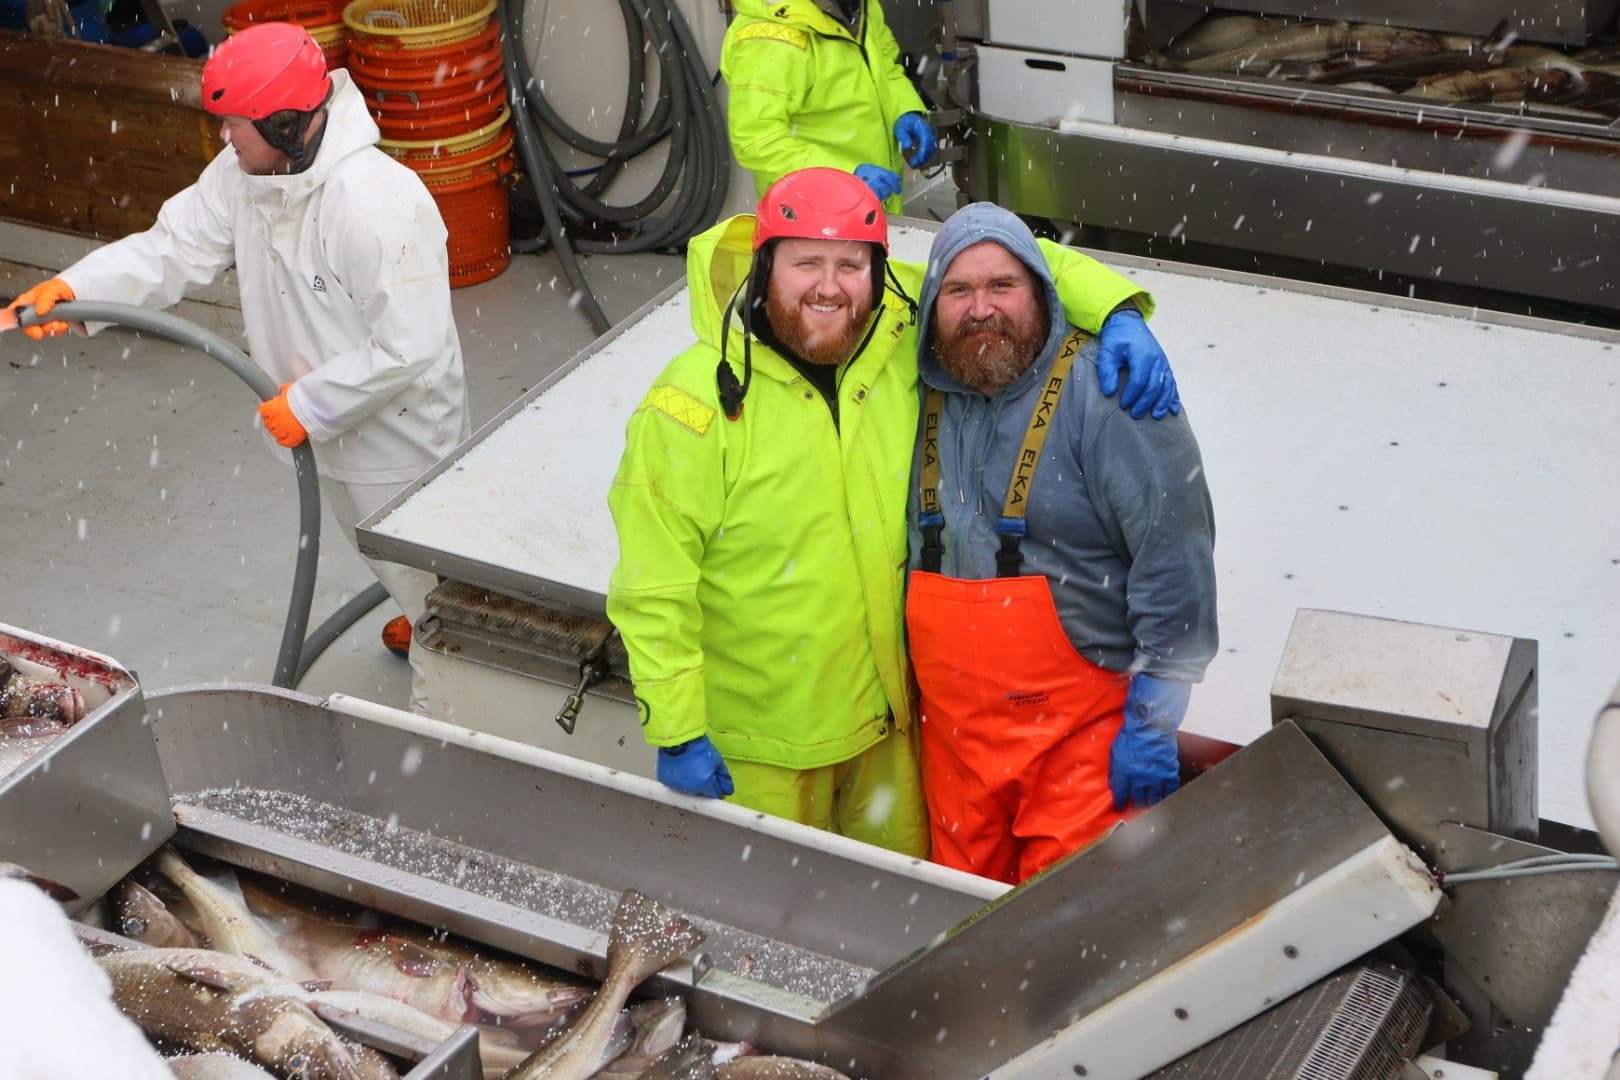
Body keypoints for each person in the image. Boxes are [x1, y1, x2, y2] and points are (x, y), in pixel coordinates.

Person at [606, 167, 1177, 855]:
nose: (829, 287)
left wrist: (1116, 309)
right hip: (760, 750)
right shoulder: (692, 407)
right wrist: (676, 729)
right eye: (805, 263)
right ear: (763, 268)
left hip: (888, 734)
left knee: (896, 908)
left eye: (851, 265)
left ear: (878, 275)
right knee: (766, 911)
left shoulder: (897, 331)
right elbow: (653, 588)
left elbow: (1001, 259)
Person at [10, 22, 468, 713]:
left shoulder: (376, 204)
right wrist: (78, 289)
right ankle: (417, 601)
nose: (224, 138)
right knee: (377, 547)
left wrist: (309, 404)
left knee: (433, 581)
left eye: (234, 125)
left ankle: (448, 702)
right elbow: (173, 247)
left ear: (285, 125)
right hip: (318, 424)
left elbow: (411, 346)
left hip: (396, 437)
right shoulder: (246, 175)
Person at [905, 203, 1217, 884]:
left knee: (1072, 923)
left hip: (1079, 750)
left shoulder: (1110, 389)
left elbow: (1175, 556)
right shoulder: (907, 387)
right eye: (958, 291)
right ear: (929, 306)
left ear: (1043, 292)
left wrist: (1156, 717)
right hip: (953, 751)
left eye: (1003, 285)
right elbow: (831, 280)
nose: (981, 309)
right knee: (963, 924)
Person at [721, 0, 937, 212]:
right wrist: (844, 176)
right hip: (811, 216)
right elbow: (757, 140)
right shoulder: (769, 38)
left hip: (874, 203)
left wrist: (906, 109)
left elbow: (886, 67)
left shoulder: (862, 7)